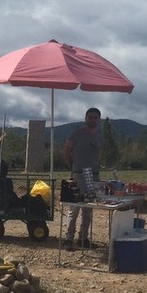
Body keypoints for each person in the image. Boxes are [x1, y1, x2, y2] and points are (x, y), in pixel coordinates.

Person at [63, 107, 102, 250]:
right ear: (86, 118)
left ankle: (83, 238)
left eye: (95, 117)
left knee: (89, 208)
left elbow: (98, 153)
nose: (92, 119)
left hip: (93, 176)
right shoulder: (76, 134)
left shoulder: (98, 136)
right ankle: (68, 238)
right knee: (75, 207)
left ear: (98, 119)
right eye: (90, 117)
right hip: (78, 174)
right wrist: (72, 168)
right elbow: (67, 150)